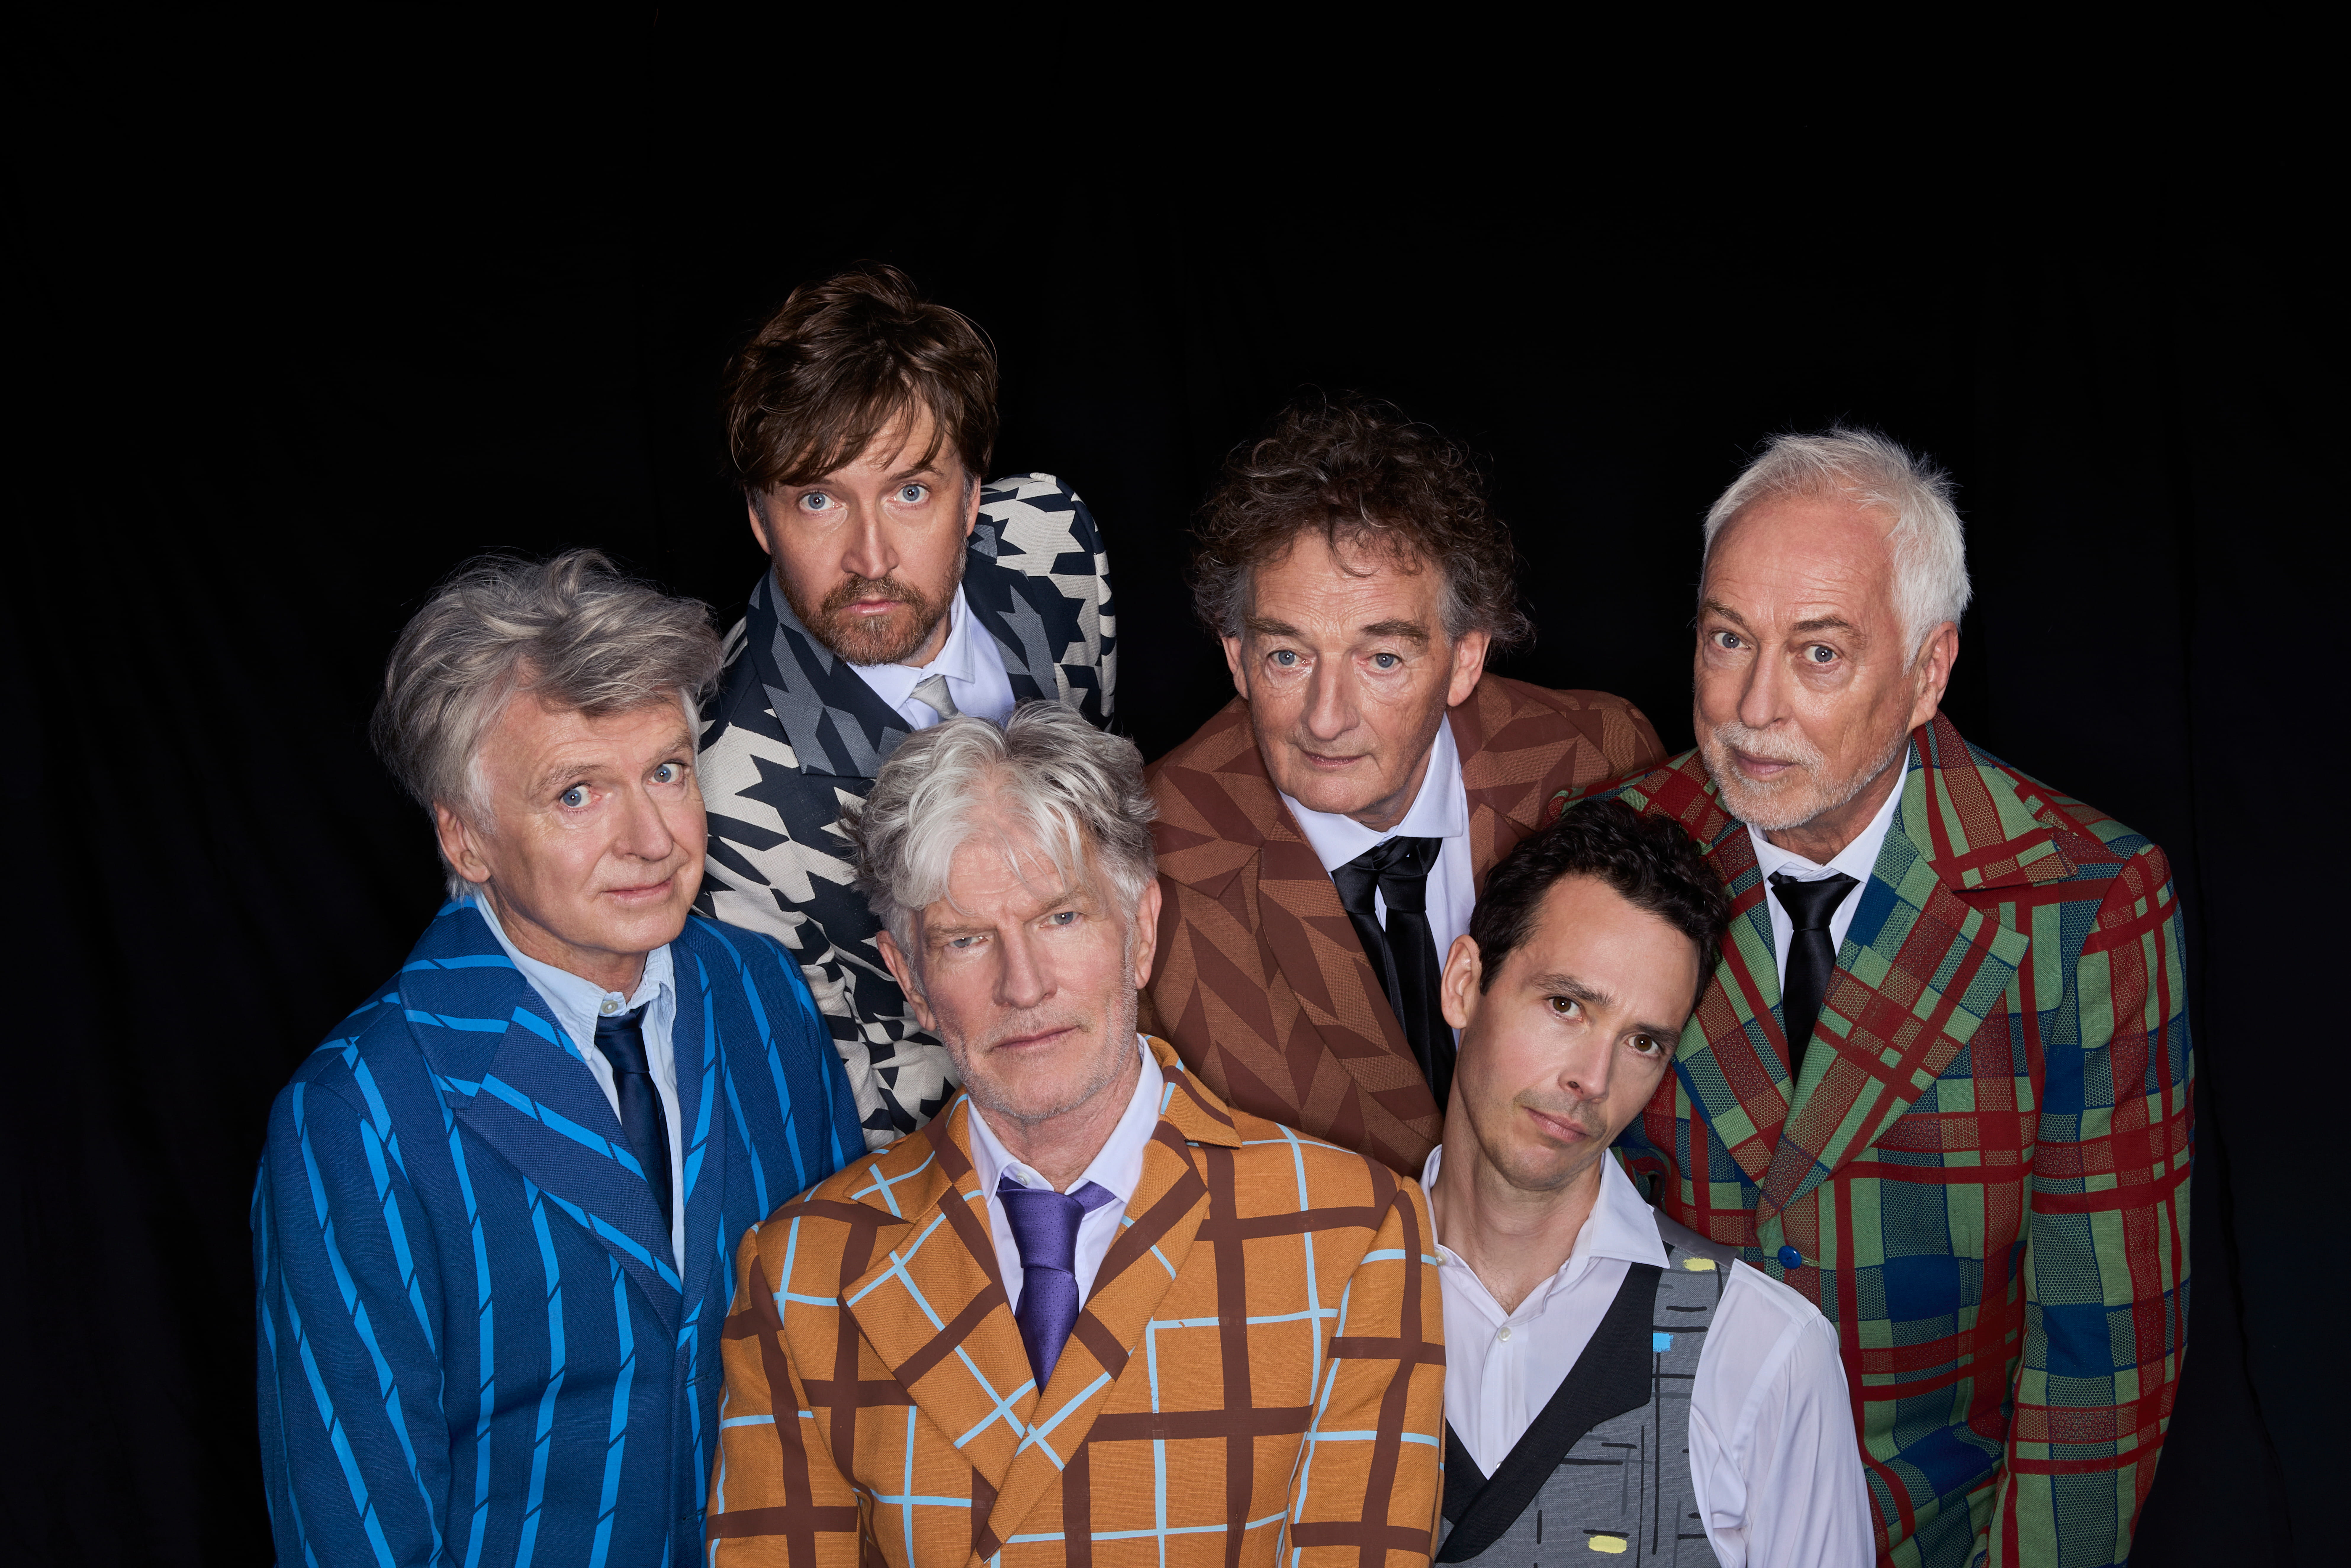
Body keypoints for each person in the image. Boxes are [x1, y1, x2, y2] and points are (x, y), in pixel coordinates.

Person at [1559, 429, 2192, 1567]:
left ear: (1928, 671)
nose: (1753, 707)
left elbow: (2101, 1356)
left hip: (1939, 1533)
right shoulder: (1611, 855)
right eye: (1728, 639)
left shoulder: (2083, 903)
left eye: (1819, 654)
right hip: (1650, 1518)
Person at [704, 703, 1446, 1565]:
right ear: (910, 977)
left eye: (1062, 917)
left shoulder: (1352, 1231)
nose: (1024, 985)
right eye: (966, 939)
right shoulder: (803, 1270)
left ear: (1142, 931)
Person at [254, 551, 863, 1567]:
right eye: (578, 793)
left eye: (667, 771)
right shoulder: (355, 1113)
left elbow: (846, 1350)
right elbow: (353, 1532)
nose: (652, 838)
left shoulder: (763, 996)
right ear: (467, 836)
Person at [1148, 396, 1666, 1175]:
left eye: (1381, 659)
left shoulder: (1603, 762)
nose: (1325, 720)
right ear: (1235, 655)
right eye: (1287, 656)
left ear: (1464, 660)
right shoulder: (1151, 849)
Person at [697, 263, 1118, 1149]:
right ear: (761, 520)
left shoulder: (1055, 544)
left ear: (974, 495)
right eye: (818, 499)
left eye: (912, 490)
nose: (870, 555)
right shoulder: (729, 791)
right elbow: (866, 1099)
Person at [1427, 798, 1872, 1567]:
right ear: (1465, 982)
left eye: (1642, 1042)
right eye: (1566, 1005)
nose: (1591, 1079)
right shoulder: (1312, 1298)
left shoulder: (1765, 1350)